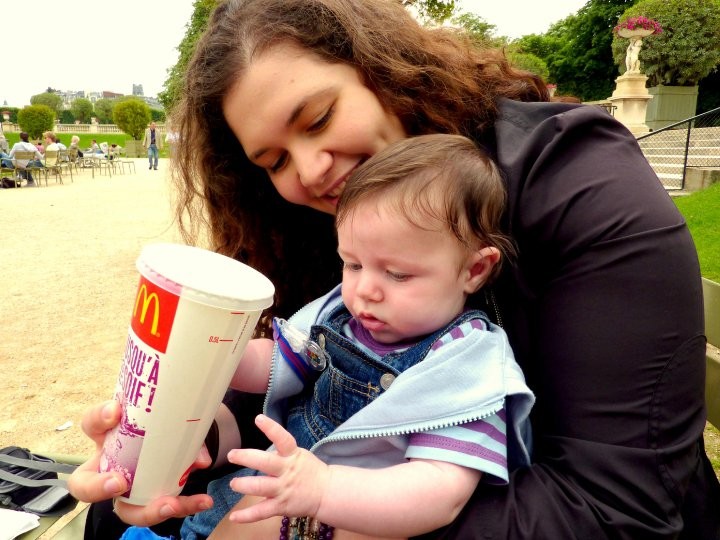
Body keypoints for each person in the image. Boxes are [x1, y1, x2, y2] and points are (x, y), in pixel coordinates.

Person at [70, 1, 720, 539]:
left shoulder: (576, 180)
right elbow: (278, 380)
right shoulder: (331, 223)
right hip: (318, 487)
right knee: (110, 515)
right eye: (274, 162)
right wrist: (176, 433)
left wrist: (310, 522)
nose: (310, 171)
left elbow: (617, 507)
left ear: (382, 69)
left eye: (319, 118)